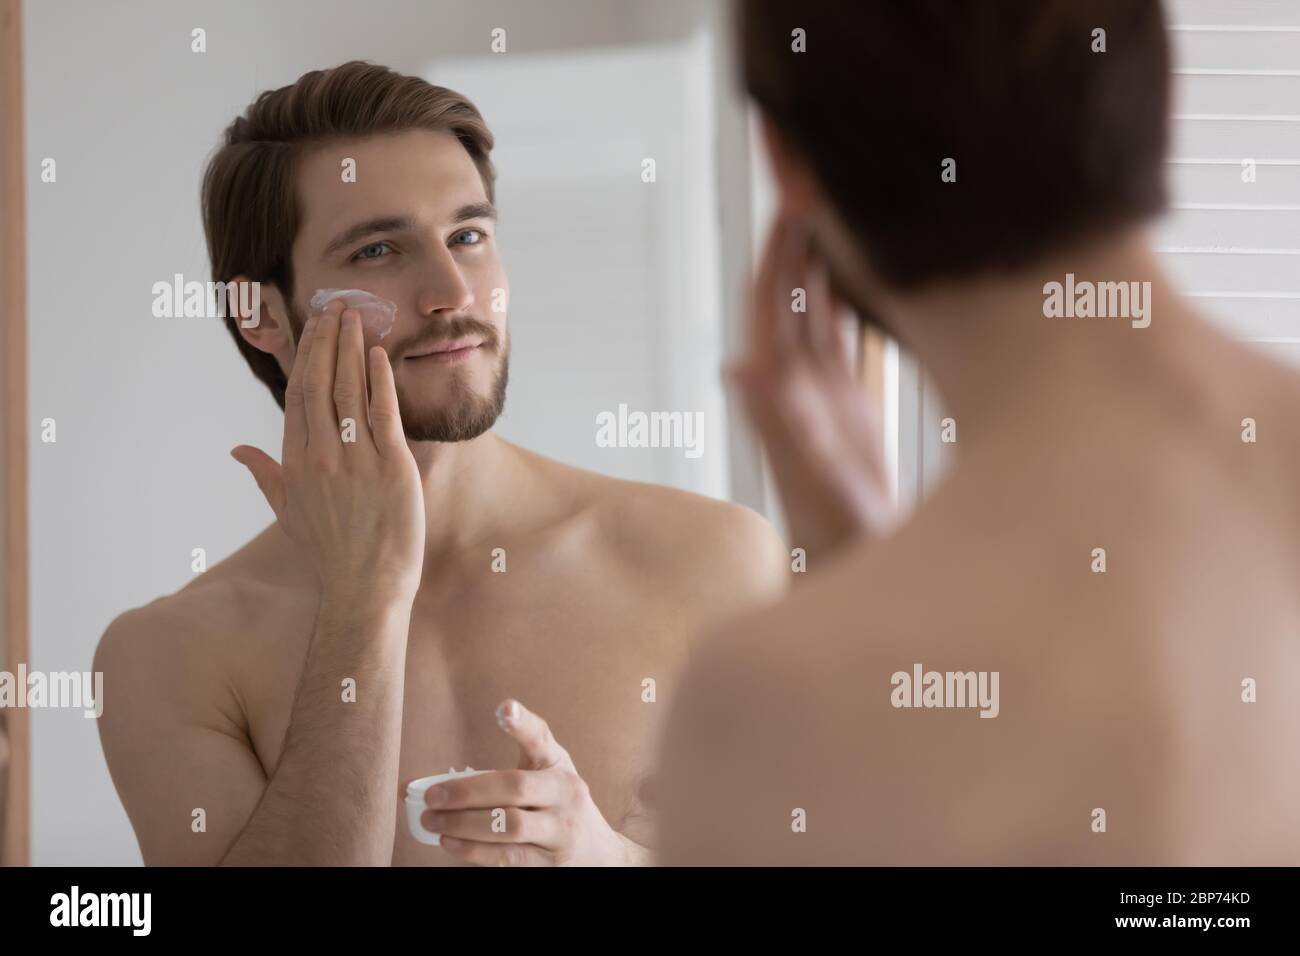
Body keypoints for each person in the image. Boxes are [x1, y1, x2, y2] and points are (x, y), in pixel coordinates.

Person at [657, 0, 1300, 865]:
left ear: (786, 163)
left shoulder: (759, 704)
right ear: (1161, 91)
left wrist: (855, 588)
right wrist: (859, 554)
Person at [95, 61, 785, 866]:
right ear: (262, 316)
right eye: (379, 249)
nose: (452, 291)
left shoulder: (716, 564)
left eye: (468, 236)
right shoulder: (172, 657)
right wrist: (365, 600)